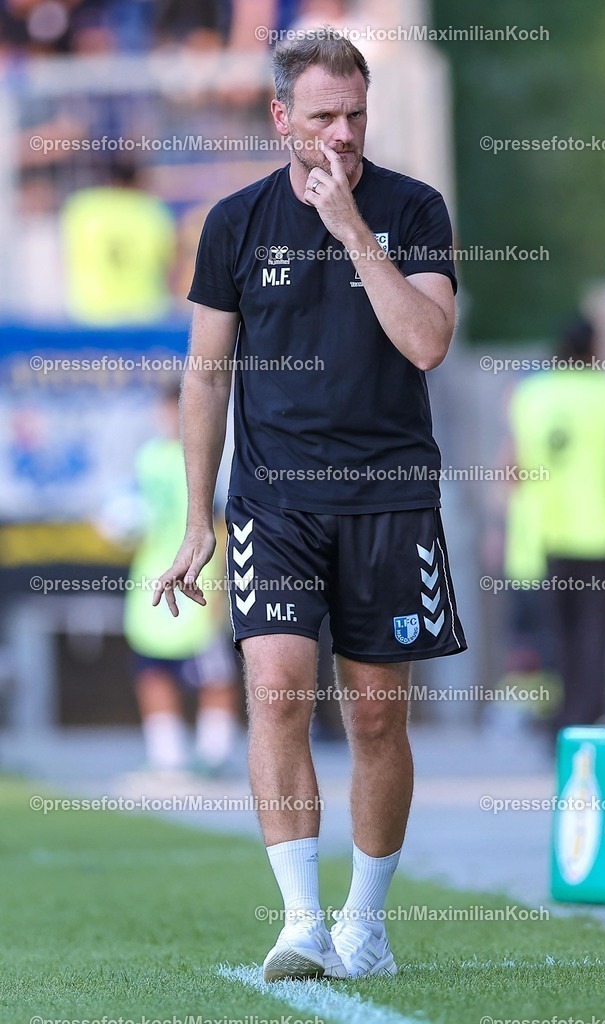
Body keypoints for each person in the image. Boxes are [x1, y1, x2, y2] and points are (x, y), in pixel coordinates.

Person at [153, 29, 467, 981]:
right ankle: (299, 922)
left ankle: (364, 926)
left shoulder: (413, 208)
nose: (342, 134)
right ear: (280, 116)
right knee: (278, 692)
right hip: (273, 501)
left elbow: (426, 343)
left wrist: (352, 233)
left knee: (374, 719)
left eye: (355, 115)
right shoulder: (233, 223)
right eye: (323, 116)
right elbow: (206, 377)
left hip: (388, 499)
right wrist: (198, 517)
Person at [508, 316, 605, 734]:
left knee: (555, 637)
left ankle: (558, 726)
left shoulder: (529, 393)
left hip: (546, 533)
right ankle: (588, 724)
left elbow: (512, 467)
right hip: (602, 531)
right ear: (594, 348)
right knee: (594, 638)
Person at [125, 382, 240, 776]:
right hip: (151, 580)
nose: (169, 418)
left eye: (176, 409)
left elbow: (223, 523)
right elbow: (132, 514)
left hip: (199, 579)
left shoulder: (209, 456)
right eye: (163, 410)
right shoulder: (148, 458)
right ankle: (167, 757)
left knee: (213, 670)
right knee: (152, 667)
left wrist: (222, 583)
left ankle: (214, 755)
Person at [61, 159, 176, 325]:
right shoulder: (153, 210)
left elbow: (67, 255)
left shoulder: (82, 207)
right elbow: (170, 264)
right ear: (138, 180)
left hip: (91, 311)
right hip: (145, 311)